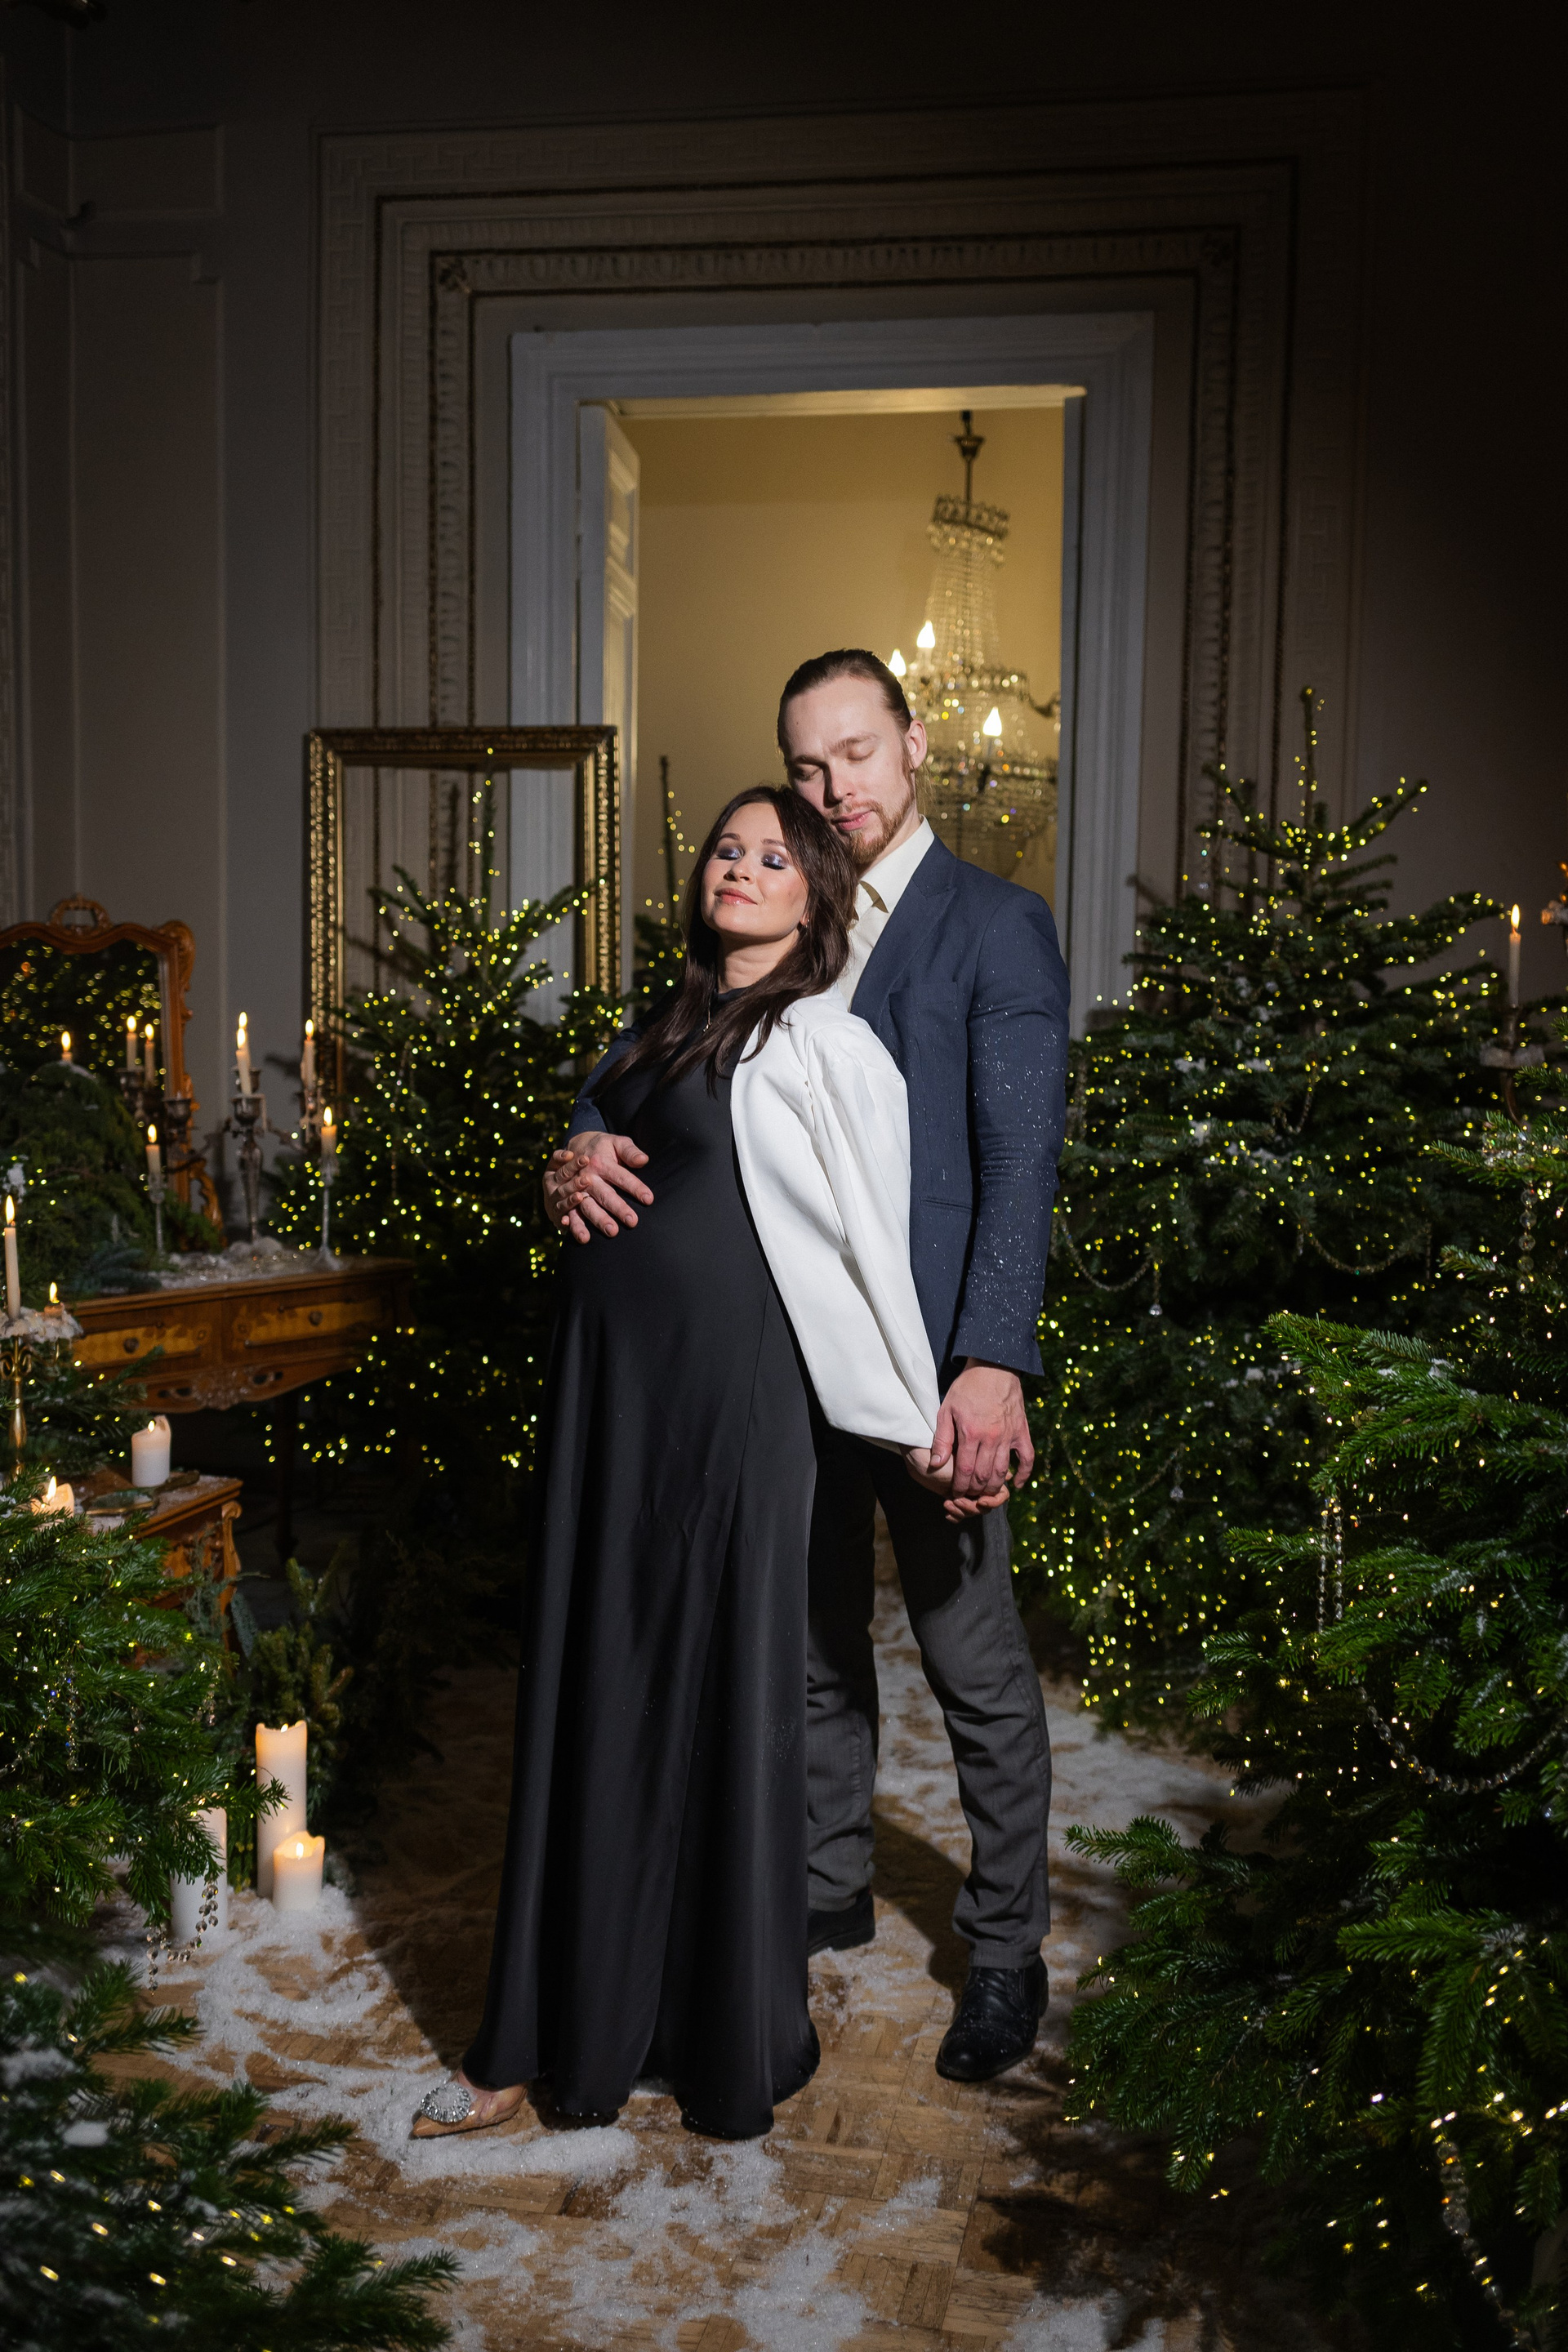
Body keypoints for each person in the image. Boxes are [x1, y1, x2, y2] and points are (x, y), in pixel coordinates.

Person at [553, 651, 1069, 2083]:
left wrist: (991, 1361)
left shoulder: (992, 925)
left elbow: (1019, 1161)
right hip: (768, 1367)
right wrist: (581, 1139)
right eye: (806, 764)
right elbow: (650, 1061)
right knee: (809, 1636)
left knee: (970, 1654)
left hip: (923, 1365)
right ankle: (827, 1881)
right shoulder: (787, 907)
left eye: (857, 752)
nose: (835, 786)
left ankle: (1007, 1948)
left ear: (915, 744)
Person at [412, 786, 945, 2145]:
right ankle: (548, 2028)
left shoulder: (829, 1044)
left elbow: (877, 1249)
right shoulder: (654, 1029)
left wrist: (923, 1420)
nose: (740, 868)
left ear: (819, 900)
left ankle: (719, 2035)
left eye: (775, 857)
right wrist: (568, 1155)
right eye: (726, 849)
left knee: (716, 1695)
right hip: (612, 1404)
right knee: (593, 1681)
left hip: (732, 1411)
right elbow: (598, 1131)